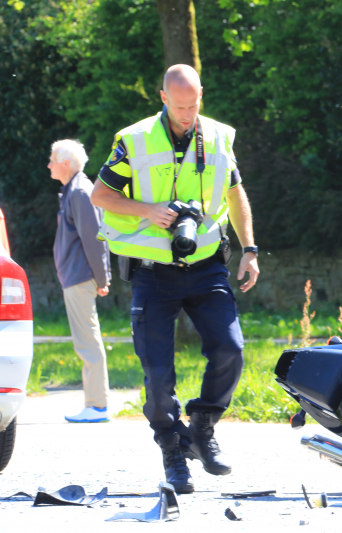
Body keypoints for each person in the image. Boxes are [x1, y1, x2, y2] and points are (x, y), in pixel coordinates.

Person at [91, 64, 260, 494]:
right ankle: (172, 451)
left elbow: (234, 192)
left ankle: (202, 427)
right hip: (153, 274)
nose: (187, 115)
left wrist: (250, 249)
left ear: (201, 95)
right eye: (180, 106)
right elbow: (101, 195)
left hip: (206, 265)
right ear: (163, 98)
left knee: (231, 349)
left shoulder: (218, 136)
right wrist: (149, 210)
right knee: (158, 379)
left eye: (194, 105)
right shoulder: (135, 139)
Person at [49, 139, 112, 423]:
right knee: (85, 341)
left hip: (80, 277)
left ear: (65, 163)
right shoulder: (73, 190)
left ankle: (97, 406)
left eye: (52, 160)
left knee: (87, 342)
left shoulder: (80, 191)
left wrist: (102, 277)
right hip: (75, 277)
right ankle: (95, 404)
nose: (49, 165)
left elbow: (95, 238)